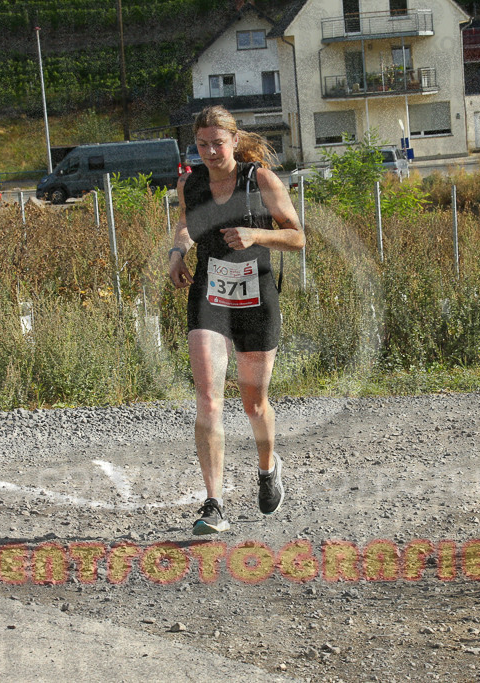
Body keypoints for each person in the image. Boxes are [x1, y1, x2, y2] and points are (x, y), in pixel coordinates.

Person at [169, 105, 305, 535]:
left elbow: (298, 236)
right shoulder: (191, 183)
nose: (210, 151)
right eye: (202, 144)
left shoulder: (259, 179)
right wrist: (177, 252)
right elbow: (187, 225)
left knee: (253, 402)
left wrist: (256, 235)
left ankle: (268, 469)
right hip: (210, 295)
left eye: (218, 143)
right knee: (208, 397)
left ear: (233, 141)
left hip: (256, 295)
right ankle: (214, 505)